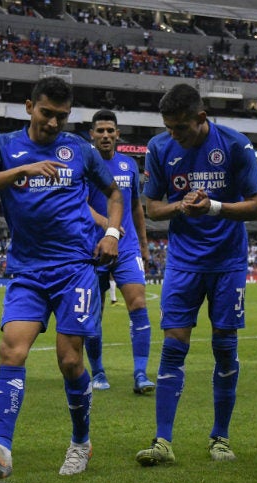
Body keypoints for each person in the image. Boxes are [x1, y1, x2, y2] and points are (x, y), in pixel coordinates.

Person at [0, 77, 124, 478]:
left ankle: (81, 442)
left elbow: (115, 194)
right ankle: (1, 448)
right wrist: (22, 170)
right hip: (27, 270)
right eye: (47, 113)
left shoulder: (79, 149)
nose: (53, 123)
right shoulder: (3, 146)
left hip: (75, 269)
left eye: (61, 117)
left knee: (68, 360)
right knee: (12, 351)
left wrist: (113, 234)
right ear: (30, 106)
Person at [135, 83, 257, 465]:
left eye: (181, 128)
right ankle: (162, 442)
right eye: (170, 128)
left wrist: (212, 207)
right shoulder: (160, 148)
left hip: (227, 262)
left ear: (201, 118)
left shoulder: (236, 145)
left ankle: (220, 438)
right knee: (174, 346)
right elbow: (153, 208)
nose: (174, 135)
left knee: (224, 348)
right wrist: (181, 206)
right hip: (183, 261)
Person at [86, 109, 154, 394]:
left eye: (110, 131)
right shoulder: (84, 165)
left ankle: (140, 373)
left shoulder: (129, 166)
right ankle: (98, 372)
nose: (105, 135)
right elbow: (78, 203)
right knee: (93, 314)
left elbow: (136, 207)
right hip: (91, 247)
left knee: (138, 304)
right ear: (91, 135)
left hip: (126, 247)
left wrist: (144, 244)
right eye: (100, 130)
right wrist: (105, 224)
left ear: (117, 135)